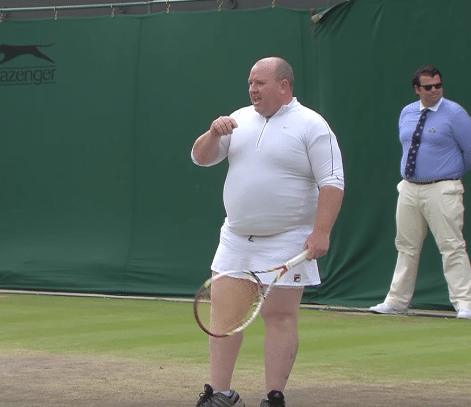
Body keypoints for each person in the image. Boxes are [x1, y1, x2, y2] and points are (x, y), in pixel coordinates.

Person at [191, 57, 344, 407]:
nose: (252, 89)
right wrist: (213, 132)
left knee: (280, 317)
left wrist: (321, 232)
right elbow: (200, 158)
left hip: (289, 240)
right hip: (235, 238)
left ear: (284, 86)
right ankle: (219, 395)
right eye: (250, 82)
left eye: (260, 83)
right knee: (224, 317)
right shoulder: (238, 119)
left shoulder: (312, 125)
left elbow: (332, 182)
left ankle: (274, 398)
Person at [369, 65, 471, 320]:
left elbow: (468, 150)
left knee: (452, 246)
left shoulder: (455, 113)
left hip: (443, 188)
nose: (435, 90)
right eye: (428, 87)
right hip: (409, 189)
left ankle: (464, 303)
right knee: (406, 246)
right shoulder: (407, 113)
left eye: (438, 85)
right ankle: (396, 301)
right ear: (417, 89)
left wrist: (450, 175)